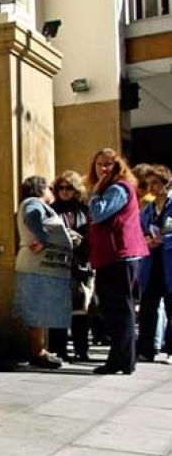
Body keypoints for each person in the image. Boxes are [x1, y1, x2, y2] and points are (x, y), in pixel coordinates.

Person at [87, 148, 149, 375]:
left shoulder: (117, 188)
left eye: (108, 165)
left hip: (119, 256)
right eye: (99, 164)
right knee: (116, 309)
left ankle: (121, 361)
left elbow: (99, 213)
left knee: (119, 309)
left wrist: (94, 193)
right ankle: (122, 360)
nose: (103, 168)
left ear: (117, 166)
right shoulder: (115, 187)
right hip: (113, 256)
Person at [14, 176, 74, 369]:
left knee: (40, 310)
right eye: (50, 187)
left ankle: (40, 350)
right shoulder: (33, 203)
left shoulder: (33, 204)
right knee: (37, 310)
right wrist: (44, 238)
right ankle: (37, 352)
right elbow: (32, 217)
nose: (53, 191)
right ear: (41, 189)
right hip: (36, 266)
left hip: (40, 267)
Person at [47, 171, 94, 362]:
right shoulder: (52, 209)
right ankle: (59, 349)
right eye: (61, 188)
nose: (65, 192)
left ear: (76, 190)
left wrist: (82, 241)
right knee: (59, 307)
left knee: (82, 308)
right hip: (60, 262)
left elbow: (93, 233)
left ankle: (82, 349)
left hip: (81, 262)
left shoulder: (84, 209)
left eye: (69, 188)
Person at [136, 164, 172, 364]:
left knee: (171, 308)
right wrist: (146, 240)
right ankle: (146, 349)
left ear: (166, 184)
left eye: (155, 183)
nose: (151, 187)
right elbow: (139, 232)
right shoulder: (147, 209)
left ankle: (171, 350)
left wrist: (163, 241)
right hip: (151, 264)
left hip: (169, 263)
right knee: (148, 308)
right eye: (148, 183)